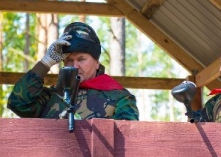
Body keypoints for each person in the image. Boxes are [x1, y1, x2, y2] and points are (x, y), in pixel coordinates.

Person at [7, 22, 139, 121]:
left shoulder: (120, 98)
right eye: (69, 60)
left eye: (81, 59)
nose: (75, 66)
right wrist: (46, 62)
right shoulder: (52, 96)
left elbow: (127, 139)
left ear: (97, 62)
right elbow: (18, 104)